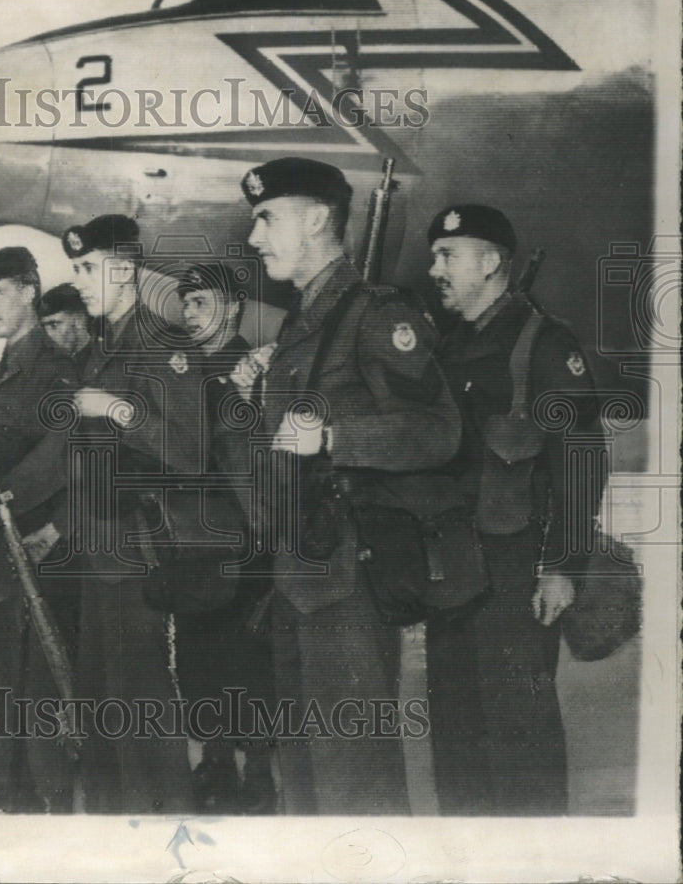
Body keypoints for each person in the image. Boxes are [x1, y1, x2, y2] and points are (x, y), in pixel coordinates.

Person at [236, 156, 461, 814]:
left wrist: (336, 436)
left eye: (266, 218)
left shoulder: (376, 315)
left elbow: (438, 429)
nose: (255, 238)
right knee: (304, 777)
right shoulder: (297, 325)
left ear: (315, 219)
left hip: (347, 584)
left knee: (356, 777)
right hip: (295, 580)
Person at [424, 204, 602, 815]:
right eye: (434, 256)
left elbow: (581, 460)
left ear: (492, 261)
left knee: (519, 731)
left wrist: (564, 565)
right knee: (455, 731)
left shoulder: (544, 344)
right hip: (448, 568)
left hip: (514, 568)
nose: (435, 268)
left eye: (448, 255)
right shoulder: (449, 348)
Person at [62, 213, 200, 814]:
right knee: (100, 695)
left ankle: (173, 829)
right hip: (99, 548)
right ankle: (117, 825)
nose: (80, 280)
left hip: (141, 551)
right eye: (75, 268)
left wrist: (117, 409)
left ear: (124, 269)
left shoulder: (162, 344)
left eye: (88, 267)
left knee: (142, 697)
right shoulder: (103, 347)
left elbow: (192, 451)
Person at [0, 246, 79, 813]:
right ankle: (8, 797)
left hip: (33, 554)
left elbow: (60, 457)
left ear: (29, 291)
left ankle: (45, 806)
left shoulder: (55, 371)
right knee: (0, 688)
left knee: (38, 690)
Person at [171, 264, 276, 814]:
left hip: (245, 538)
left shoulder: (255, 366)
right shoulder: (183, 371)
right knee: (197, 657)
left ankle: (258, 773)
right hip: (193, 543)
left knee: (248, 660)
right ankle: (215, 762)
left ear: (234, 307)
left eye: (202, 302)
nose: (189, 314)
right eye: (185, 304)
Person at [37, 282, 94, 376]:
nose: (48, 334)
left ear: (78, 320)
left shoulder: (104, 363)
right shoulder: (49, 365)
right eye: (44, 327)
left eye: (54, 325)